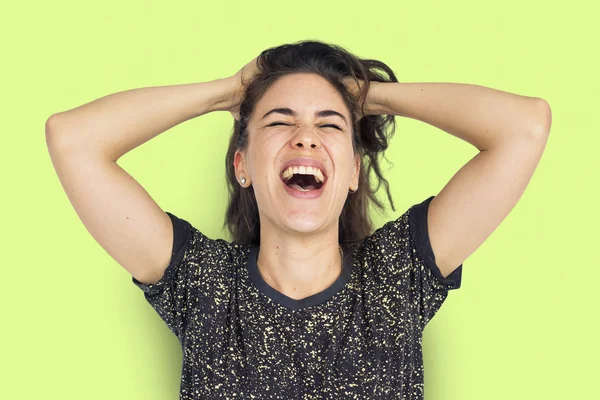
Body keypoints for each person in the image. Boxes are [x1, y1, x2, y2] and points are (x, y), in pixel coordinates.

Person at [45, 40, 551, 399]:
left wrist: (367, 96)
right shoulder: (206, 286)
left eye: (329, 125)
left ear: (354, 168)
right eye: (280, 120)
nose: (306, 137)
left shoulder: (395, 278)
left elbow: (524, 127)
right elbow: (72, 140)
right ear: (242, 165)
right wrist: (227, 93)